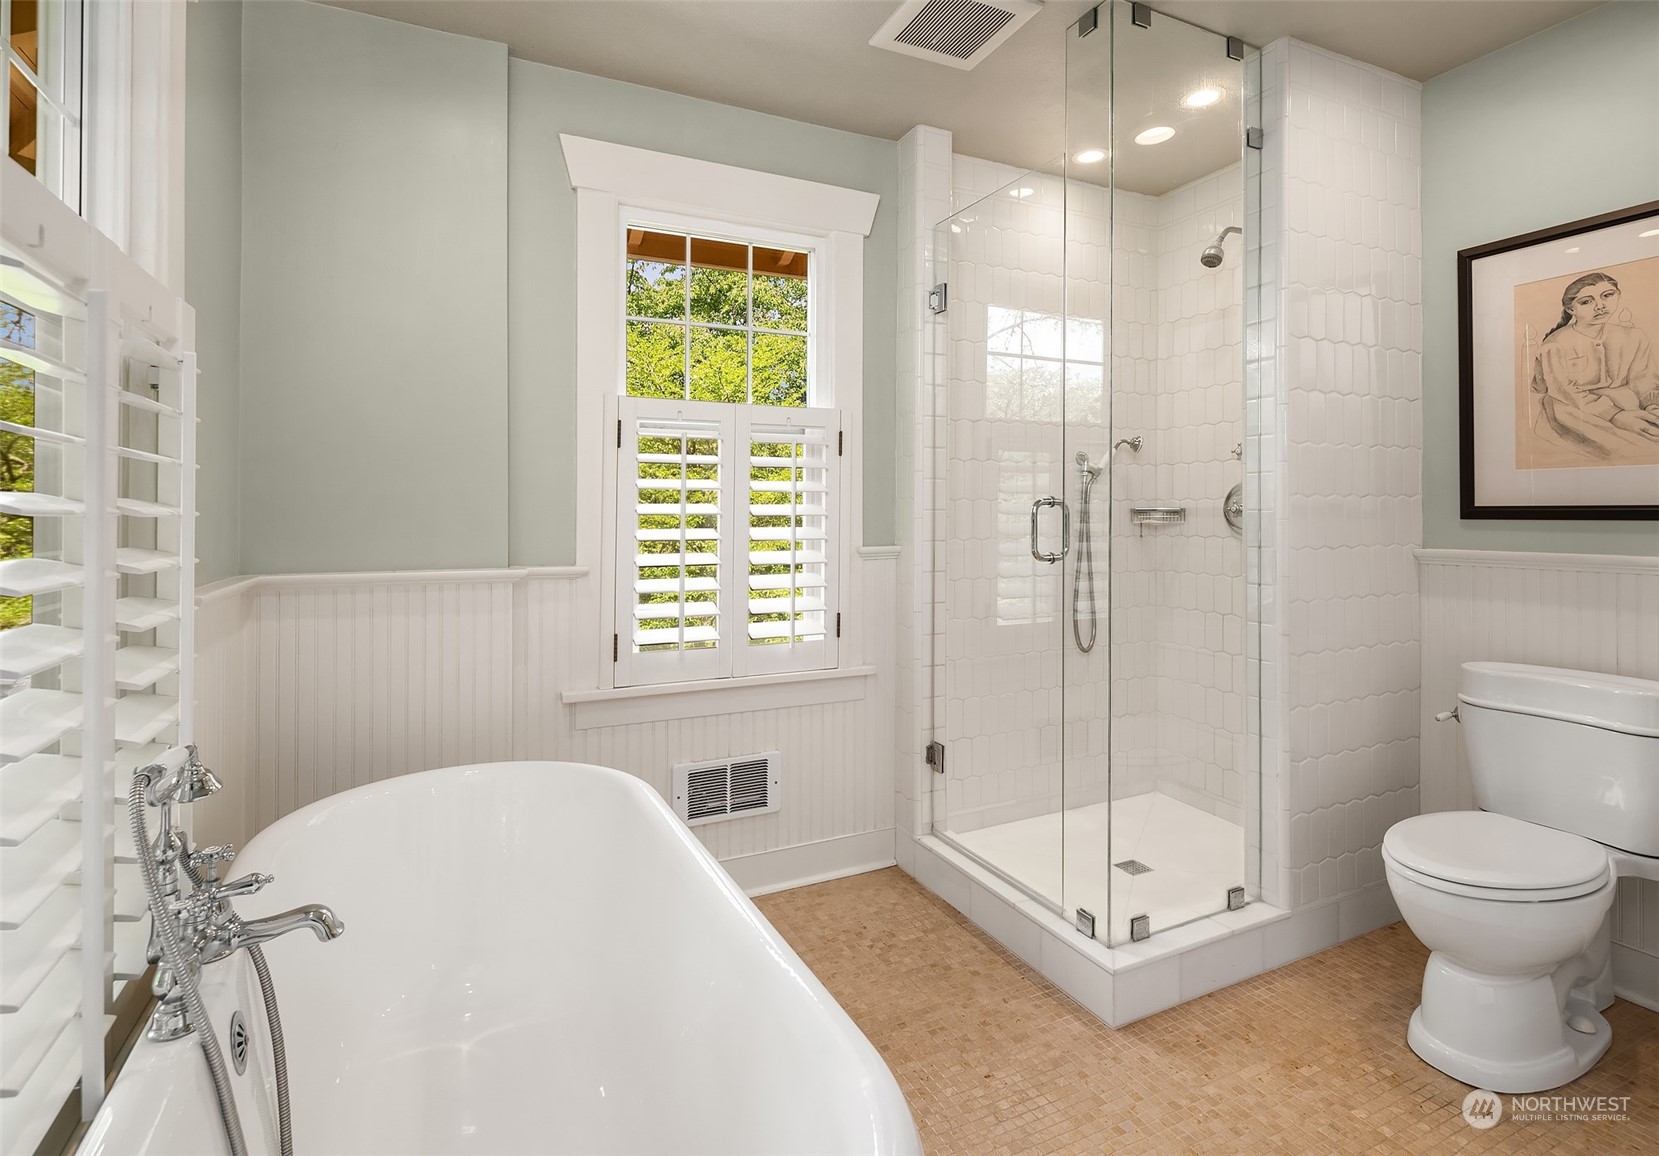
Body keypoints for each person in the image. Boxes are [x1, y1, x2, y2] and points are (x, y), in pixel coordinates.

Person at [1529, 271, 1659, 463]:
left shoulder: (1634, 336)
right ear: (1571, 310)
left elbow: (1645, 378)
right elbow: (1564, 392)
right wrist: (1615, 415)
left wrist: (1652, 406)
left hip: (1627, 407)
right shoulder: (1555, 344)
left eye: (1607, 295)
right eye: (1586, 302)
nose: (1600, 306)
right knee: (1629, 451)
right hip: (1572, 412)